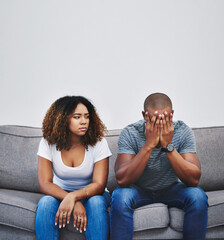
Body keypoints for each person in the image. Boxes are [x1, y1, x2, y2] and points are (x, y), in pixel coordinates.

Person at [110, 93, 208, 240]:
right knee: (119, 196)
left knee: (198, 196)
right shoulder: (130, 132)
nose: (160, 123)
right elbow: (122, 180)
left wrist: (168, 146)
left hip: (171, 189)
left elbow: (193, 179)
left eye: (165, 118)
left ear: (172, 114)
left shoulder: (182, 131)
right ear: (144, 115)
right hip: (139, 190)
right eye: (154, 118)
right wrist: (148, 145)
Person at [35, 96, 112, 240]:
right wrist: (69, 198)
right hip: (60, 193)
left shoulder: (99, 142)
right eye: (77, 117)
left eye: (87, 116)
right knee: (46, 202)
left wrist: (74, 196)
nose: (84, 121)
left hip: (93, 194)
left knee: (96, 203)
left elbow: (99, 185)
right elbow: (45, 183)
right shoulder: (48, 142)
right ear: (63, 119)